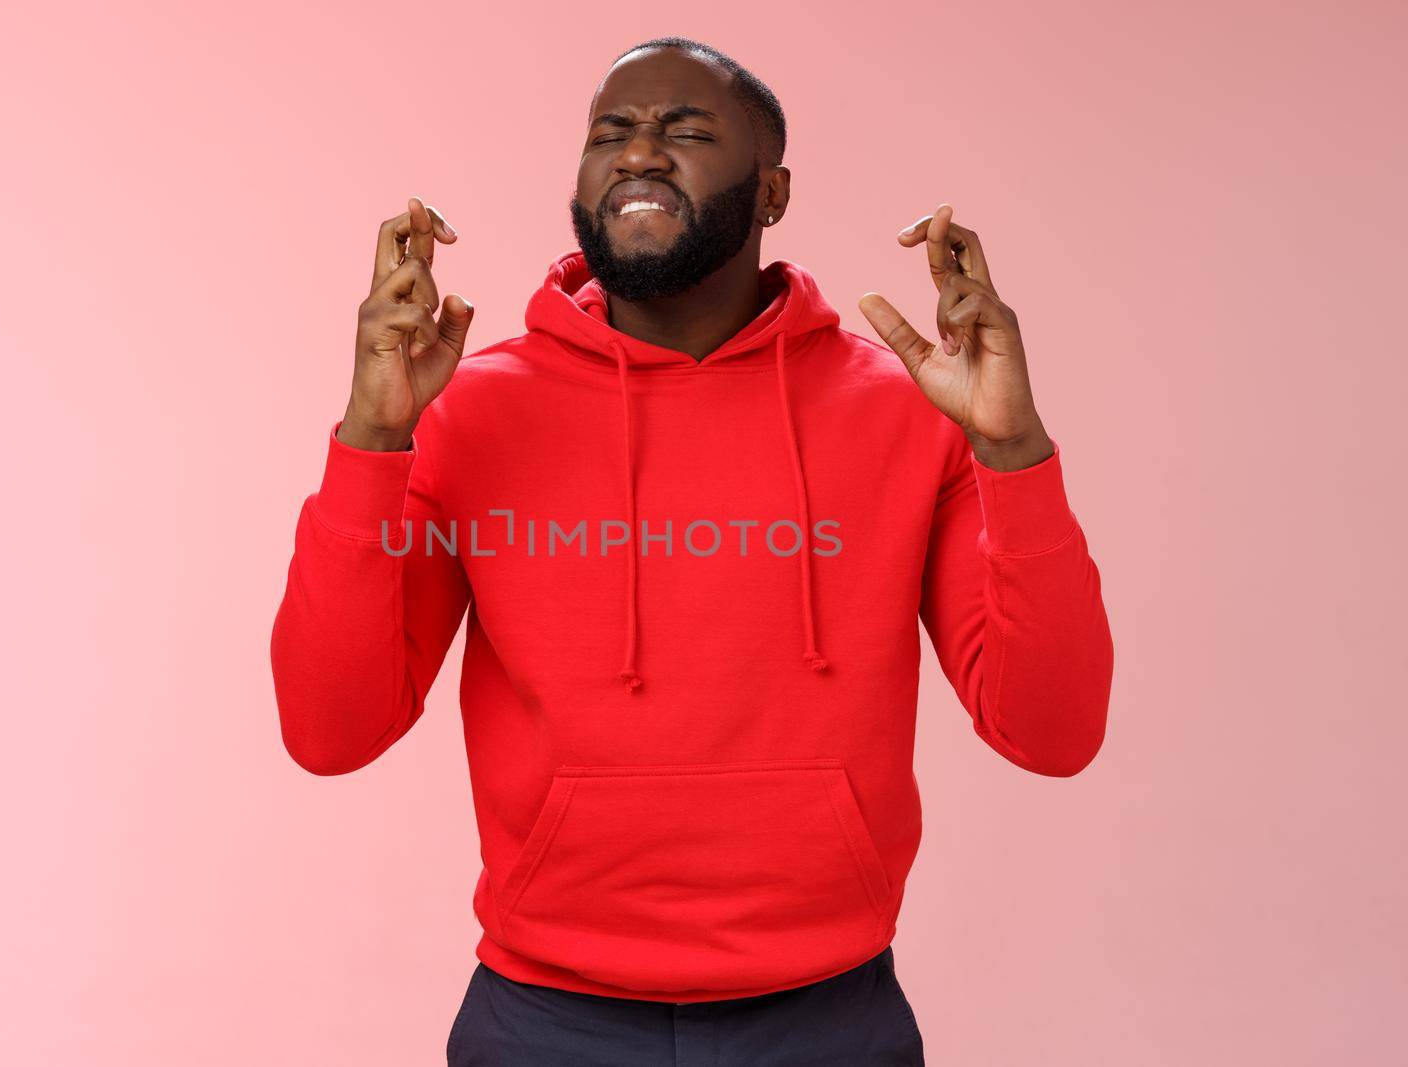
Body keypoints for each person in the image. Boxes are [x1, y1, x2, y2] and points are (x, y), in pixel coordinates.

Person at [270, 35, 1114, 1066]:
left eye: (686, 131)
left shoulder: (903, 410)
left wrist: (1010, 451)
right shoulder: (468, 408)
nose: (638, 155)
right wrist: (372, 439)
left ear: (772, 192)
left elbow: (1053, 729)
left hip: (827, 1015)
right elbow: (330, 730)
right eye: (610, 134)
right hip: (542, 1019)